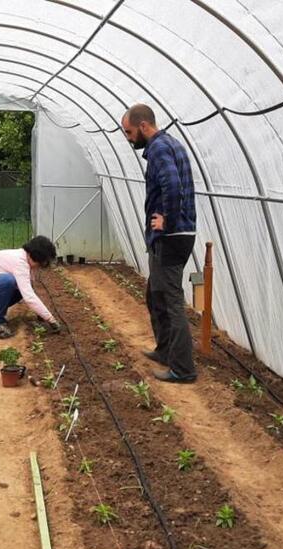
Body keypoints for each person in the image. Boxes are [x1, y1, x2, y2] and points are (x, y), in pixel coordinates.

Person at [121, 103, 198, 383]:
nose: (128, 138)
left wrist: (166, 219)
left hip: (171, 237)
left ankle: (183, 369)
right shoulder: (169, 144)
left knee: (171, 300)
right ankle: (165, 350)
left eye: (129, 132)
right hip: (172, 236)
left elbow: (173, 186)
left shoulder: (159, 148)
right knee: (156, 294)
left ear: (143, 126)